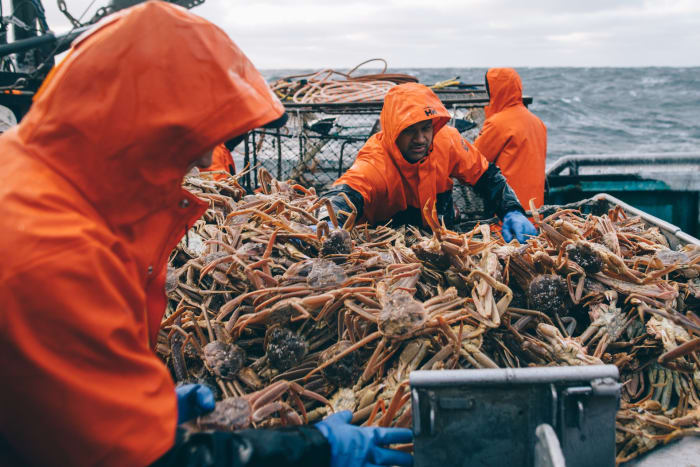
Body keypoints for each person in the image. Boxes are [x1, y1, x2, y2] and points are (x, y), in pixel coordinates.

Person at [0, 3, 411, 467]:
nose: (203, 160)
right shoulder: (55, 253)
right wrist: (315, 450)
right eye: (194, 135)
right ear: (142, 122)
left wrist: (127, 404)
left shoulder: (21, 170)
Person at [321, 82, 536, 243]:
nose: (420, 139)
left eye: (425, 128)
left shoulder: (447, 139)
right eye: (410, 131)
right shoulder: (376, 162)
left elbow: (486, 176)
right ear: (394, 131)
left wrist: (512, 210)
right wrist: (326, 222)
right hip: (385, 237)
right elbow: (344, 194)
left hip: (438, 227)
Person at [474, 68, 547, 209]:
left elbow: (475, 160)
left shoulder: (497, 123)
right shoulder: (537, 122)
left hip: (507, 210)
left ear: (494, 91)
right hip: (535, 210)